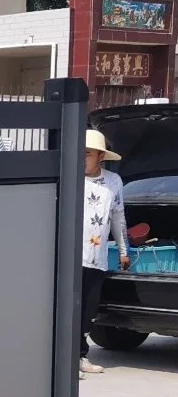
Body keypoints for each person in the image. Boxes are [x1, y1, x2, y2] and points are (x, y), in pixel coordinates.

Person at [79, 127, 131, 376]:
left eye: (87, 153)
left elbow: (118, 216)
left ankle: (79, 356)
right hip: (70, 256)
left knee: (88, 311)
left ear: (100, 156)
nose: (82, 158)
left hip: (96, 258)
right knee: (68, 308)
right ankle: (65, 360)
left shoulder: (113, 182)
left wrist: (123, 250)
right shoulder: (70, 178)